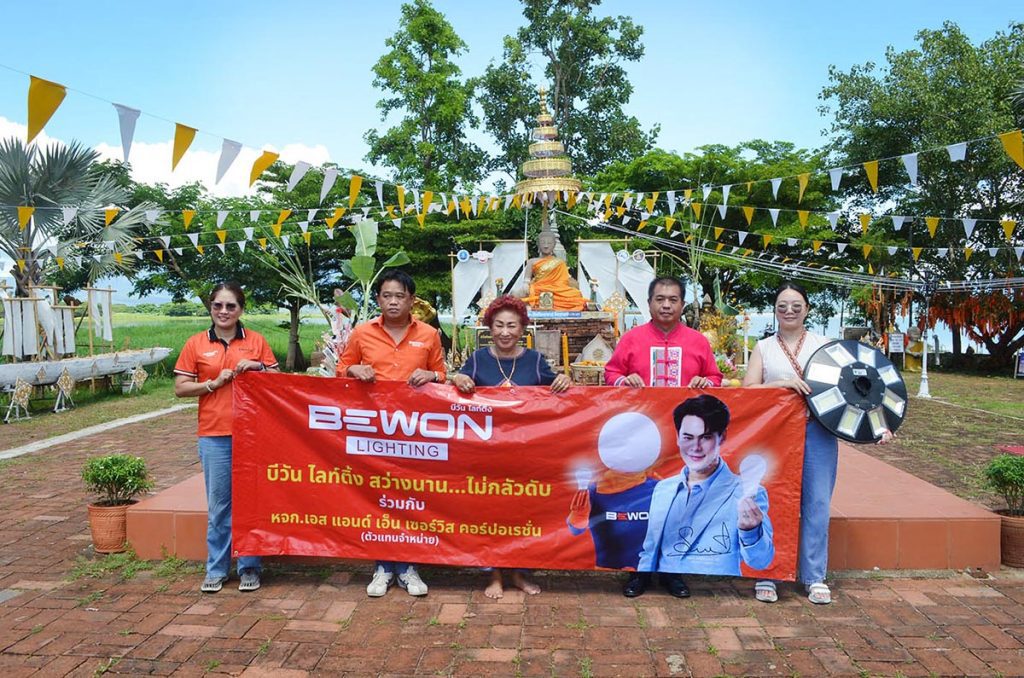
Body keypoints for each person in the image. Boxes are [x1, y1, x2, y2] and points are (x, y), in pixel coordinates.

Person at [743, 281, 892, 604]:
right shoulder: (764, 347)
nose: (789, 311)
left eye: (796, 306)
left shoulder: (827, 346)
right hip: (776, 435)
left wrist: (879, 425)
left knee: (817, 503)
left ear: (807, 309)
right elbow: (748, 389)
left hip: (818, 433)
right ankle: (768, 572)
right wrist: (782, 384)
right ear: (775, 310)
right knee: (774, 501)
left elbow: (860, 388)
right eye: (782, 306)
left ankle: (813, 576)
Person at [604, 276, 723, 598]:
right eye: (660, 299)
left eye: (673, 299)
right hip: (641, 439)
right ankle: (639, 571)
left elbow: (715, 377)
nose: (666, 305)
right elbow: (611, 373)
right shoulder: (632, 339)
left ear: (682, 304)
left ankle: (673, 571)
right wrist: (624, 381)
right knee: (642, 503)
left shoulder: (697, 342)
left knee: (680, 504)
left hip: (684, 443)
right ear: (649, 304)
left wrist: (705, 382)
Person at [336, 269, 446, 598]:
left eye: (400, 296)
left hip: (415, 432)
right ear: (379, 299)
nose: (393, 302)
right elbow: (341, 369)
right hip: (375, 431)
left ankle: (408, 566)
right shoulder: (362, 333)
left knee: (410, 497)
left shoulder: (429, 334)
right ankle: (383, 567)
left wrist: (430, 376)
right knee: (380, 497)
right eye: (387, 296)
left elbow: (442, 373)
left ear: (412, 301)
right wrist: (353, 369)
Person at [451, 295, 570, 598]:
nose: (505, 332)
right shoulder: (478, 359)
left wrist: (563, 381)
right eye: (499, 325)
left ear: (522, 329)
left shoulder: (534, 360)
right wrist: (459, 378)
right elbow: (458, 385)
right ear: (490, 327)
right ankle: (493, 574)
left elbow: (555, 388)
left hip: (526, 455)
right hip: (485, 455)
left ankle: (518, 572)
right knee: (488, 515)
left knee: (522, 514)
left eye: (512, 326)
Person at [174, 282, 279, 593]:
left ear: (241, 310)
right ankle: (217, 569)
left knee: (251, 503)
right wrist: (213, 384)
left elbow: (278, 381)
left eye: (231, 306)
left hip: (253, 434)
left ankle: (250, 567)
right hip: (215, 434)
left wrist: (259, 367)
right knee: (220, 505)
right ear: (210, 308)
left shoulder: (256, 341)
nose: (224, 311)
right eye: (218, 305)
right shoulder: (196, 344)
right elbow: (181, 388)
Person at [637, 395, 774, 580]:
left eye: (706, 437)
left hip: (711, 589)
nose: (696, 447)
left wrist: (750, 532)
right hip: (662, 589)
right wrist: (643, 579)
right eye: (688, 437)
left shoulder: (745, 493)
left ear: (722, 437)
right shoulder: (663, 489)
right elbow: (650, 551)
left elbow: (761, 561)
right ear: (677, 438)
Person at [521, 231, 587, 311]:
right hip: (538, 289)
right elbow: (526, 280)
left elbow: (565, 280)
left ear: (554, 245)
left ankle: (533, 306)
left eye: (549, 243)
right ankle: (531, 305)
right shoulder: (532, 261)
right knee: (517, 294)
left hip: (558, 290)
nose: (546, 246)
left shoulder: (560, 262)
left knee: (575, 294)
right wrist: (526, 284)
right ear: (538, 244)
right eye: (543, 243)